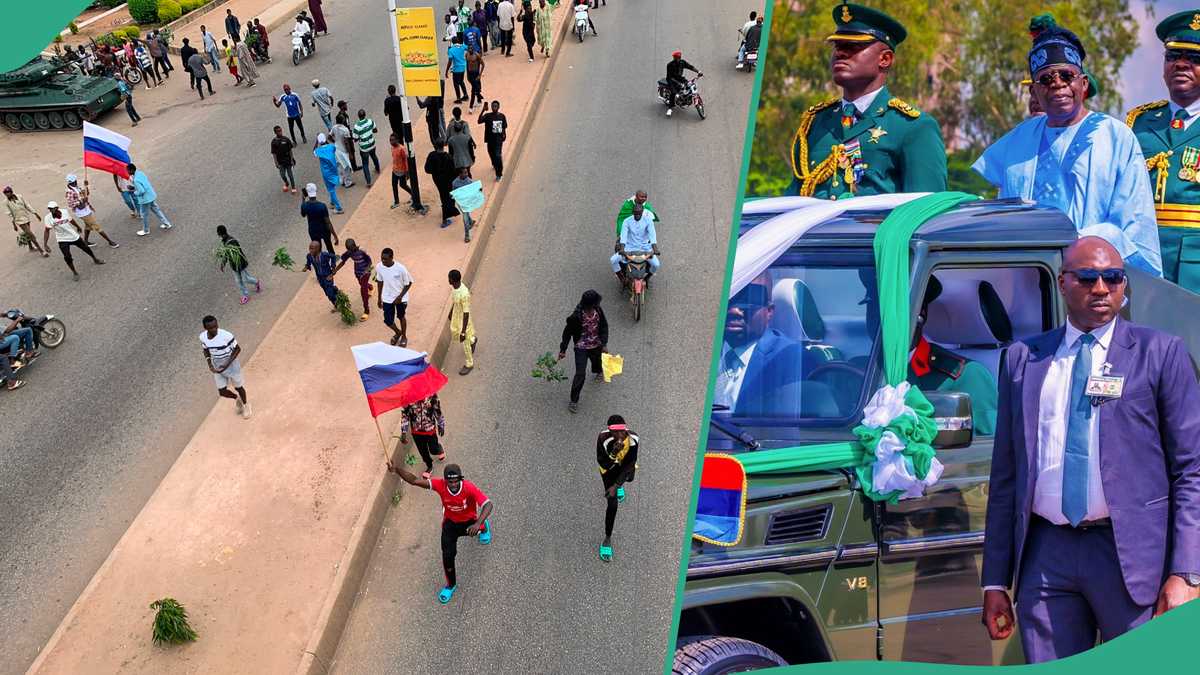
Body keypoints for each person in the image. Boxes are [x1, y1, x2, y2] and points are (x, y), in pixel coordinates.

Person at [981, 236, 1200, 662]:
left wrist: (1186, 573)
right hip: (1046, 556)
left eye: (1113, 278)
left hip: (1132, 556)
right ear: (1063, 283)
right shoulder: (1024, 360)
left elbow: (1192, 470)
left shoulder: (1160, 353)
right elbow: (1006, 475)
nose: (1101, 288)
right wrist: (994, 581)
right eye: (1087, 278)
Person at [973, 21, 1161, 276]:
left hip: (1095, 280)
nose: (1057, 84)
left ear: (1083, 84)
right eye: (1046, 78)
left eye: (1066, 76)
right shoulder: (1017, 140)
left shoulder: (1116, 136)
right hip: (1028, 277)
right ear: (1034, 90)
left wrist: (1076, 242)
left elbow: (1135, 229)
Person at [788, 5, 947, 197]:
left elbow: (924, 211)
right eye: (838, 46)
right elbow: (794, 197)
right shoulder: (815, 123)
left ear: (885, 59)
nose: (840, 53)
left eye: (853, 47)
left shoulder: (913, 127)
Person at [1127, 10, 1200, 293]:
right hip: (1144, 255)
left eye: (1194, 59)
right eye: (1173, 57)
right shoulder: (1139, 122)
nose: (1181, 65)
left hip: (1194, 261)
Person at [385, 461, 492, 604]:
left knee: (478, 527)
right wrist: (396, 469)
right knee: (447, 556)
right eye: (449, 482)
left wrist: (478, 523)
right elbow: (415, 481)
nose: (453, 484)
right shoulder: (440, 485)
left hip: (469, 523)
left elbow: (488, 504)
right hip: (450, 526)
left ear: (461, 479)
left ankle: (484, 526)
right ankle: (451, 585)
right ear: (445, 480)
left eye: (456, 481)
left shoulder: (469, 487)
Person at [907, 275, 998, 436]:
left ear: (920, 313)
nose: (876, 315)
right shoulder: (861, 371)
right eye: (872, 306)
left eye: (887, 307)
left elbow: (988, 451)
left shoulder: (968, 376)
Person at [712, 273, 808, 417]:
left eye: (749, 299)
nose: (734, 311)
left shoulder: (792, 359)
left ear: (769, 311)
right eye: (729, 300)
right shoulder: (697, 353)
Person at [557, 289, 608, 413]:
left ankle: (599, 371)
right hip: (581, 347)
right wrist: (563, 349)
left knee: (597, 362)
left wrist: (604, 343)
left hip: (596, 345)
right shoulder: (575, 317)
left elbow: (604, 326)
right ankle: (574, 400)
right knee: (580, 374)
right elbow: (567, 333)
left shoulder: (598, 311)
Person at [595, 415, 638, 562]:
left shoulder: (633, 439)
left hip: (623, 469)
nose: (619, 435)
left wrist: (617, 485)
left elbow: (631, 462)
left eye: (622, 431)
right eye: (615, 432)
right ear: (610, 431)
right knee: (612, 505)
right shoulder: (603, 439)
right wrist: (613, 453)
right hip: (608, 471)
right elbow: (604, 463)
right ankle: (607, 538)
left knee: (630, 477)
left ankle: (618, 486)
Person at [200, 315, 250, 419]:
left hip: (231, 364)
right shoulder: (203, 337)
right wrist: (210, 364)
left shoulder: (226, 336)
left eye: (215, 326)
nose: (214, 329)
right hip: (217, 365)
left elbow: (237, 349)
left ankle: (246, 405)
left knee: (239, 387)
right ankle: (237, 399)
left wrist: (226, 364)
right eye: (211, 328)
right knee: (222, 391)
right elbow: (206, 350)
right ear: (205, 328)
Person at [42, 201, 105, 280]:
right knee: (67, 257)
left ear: (57, 208)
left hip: (73, 236)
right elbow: (47, 230)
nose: (51, 211)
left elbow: (71, 220)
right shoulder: (48, 218)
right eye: (50, 209)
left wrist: (78, 227)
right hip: (62, 239)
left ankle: (95, 259)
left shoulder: (64, 212)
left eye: (53, 209)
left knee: (86, 248)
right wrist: (45, 244)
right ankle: (74, 272)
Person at [611, 203, 660, 284]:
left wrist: (655, 249)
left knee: (656, 264)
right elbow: (623, 235)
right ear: (632, 212)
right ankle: (621, 278)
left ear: (642, 212)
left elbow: (652, 236)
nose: (637, 215)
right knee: (613, 260)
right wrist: (622, 249)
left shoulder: (648, 221)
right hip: (629, 248)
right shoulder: (627, 221)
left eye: (639, 213)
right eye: (635, 213)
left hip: (644, 248)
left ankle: (647, 278)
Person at [400, 395, 447, 478]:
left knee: (433, 449)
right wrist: (404, 431)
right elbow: (405, 415)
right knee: (423, 452)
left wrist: (441, 425)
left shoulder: (432, 396)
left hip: (430, 430)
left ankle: (438, 448)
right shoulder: (407, 398)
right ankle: (429, 466)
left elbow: (438, 411)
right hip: (416, 432)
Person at [65, 175, 118, 249]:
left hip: (86, 209)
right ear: (70, 183)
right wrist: (81, 201)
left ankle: (85, 242)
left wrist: (86, 186)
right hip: (81, 212)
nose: (75, 182)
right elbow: (71, 204)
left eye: (75, 181)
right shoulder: (69, 192)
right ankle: (110, 241)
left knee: (88, 226)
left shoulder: (77, 188)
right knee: (96, 226)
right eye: (74, 182)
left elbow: (87, 194)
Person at [374, 247, 414, 346]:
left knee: (401, 317)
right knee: (388, 320)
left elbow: (408, 283)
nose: (383, 261)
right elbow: (380, 281)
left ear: (392, 258)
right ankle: (397, 332)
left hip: (400, 298)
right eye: (382, 258)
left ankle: (404, 336)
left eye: (385, 259)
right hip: (387, 298)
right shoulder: (379, 267)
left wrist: (400, 297)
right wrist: (379, 298)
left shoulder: (400, 269)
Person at [217, 225, 261, 304]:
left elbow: (236, 254)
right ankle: (245, 295)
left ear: (220, 233)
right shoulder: (224, 241)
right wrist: (223, 263)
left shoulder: (232, 241)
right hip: (234, 266)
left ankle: (256, 282)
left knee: (245, 279)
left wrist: (238, 266)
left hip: (240, 265)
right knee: (238, 281)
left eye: (218, 233)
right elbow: (227, 254)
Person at [333, 238, 373, 321]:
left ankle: (366, 310)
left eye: (351, 248)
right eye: (348, 249)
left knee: (363, 292)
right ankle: (370, 287)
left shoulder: (362, 252)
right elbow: (343, 261)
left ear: (354, 245)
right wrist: (335, 270)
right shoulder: (349, 253)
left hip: (365, 273)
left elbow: (369, 262)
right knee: (362, 285)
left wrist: (366, 270)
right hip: (357, 273)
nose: (350, 250)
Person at [127, 163, 173, 235]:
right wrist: (135, 187)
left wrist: (134, 192)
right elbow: (143, 184)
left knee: (144, 215)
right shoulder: (140, 173)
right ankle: (167, 223)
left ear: (132, 170)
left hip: (145, 199)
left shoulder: (135, 180)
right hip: (151, 195)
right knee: (157, 210)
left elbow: (141, 191)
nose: (127, 172)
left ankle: (146, 230)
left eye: (128, 170)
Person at [447, 269, 477, 375]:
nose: (448, 280)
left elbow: (466, 313)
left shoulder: (464, 294)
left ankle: (469, 364)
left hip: (464, 322)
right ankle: (473, 340)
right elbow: (455, 302)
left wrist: (463, 331)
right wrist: (451, 313)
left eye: (449, 278)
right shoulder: (455, 288)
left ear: (453, 280)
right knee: (458, 334)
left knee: (465, 342)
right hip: (457, 317)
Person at [3, 187, 48, 257]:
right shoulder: (6, 203)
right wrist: (14, 224)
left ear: (11, 192)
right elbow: (9, 214)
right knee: (31, 234)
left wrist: (35, 213)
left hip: (26, 217)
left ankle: (30, 247)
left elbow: (27, 205)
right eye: (6, 194)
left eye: (8, 193)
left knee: (27, 233)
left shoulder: (19, 197)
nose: (7, 195)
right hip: (19, 221)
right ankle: (41, 250)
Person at [425, 141, 460, 227]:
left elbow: (427, 169)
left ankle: (446, 210)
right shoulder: (448, 157)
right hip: (448, 181)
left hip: (437, 180)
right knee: (448, 197)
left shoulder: (431, 155)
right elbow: (454, 172)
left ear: (435, 146)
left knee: (443, 195)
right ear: (444, 146)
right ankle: (445, 219)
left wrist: (435, 171)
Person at [304, 240, 341, 311]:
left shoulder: (324, 255)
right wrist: (306, 267)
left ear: (318, 249)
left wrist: (333, 267)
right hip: (320, 278)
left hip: (328, 276)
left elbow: (333, 257)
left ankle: (337, 304)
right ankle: (335, 291)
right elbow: (308, 263)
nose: (310, 250)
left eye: (312, 248)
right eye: (310, 248)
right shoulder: (309, 256)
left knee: (330, 294)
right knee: (327, 293)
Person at [301, 183, 339, 252]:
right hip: (324, 230)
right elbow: (328, 222)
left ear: (307, 192)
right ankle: (333, 259)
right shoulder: (322, 206)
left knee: (318, 249)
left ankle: (320, 261)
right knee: (329, 245)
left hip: (313, 230)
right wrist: (335, 236)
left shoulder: (305, 205)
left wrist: (303, 199)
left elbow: (303, 214)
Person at [313, 135, 345, 213]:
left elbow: (314, 151)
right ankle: (332, 202)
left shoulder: (318, 151)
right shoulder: (331, 147)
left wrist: (316, 141)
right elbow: (333, 145)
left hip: (326, 173)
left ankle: (338, 208)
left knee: (331, 190)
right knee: (332, 187)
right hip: (334, 170)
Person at [477, 100, 508, 180]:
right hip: (490, 140)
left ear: (498, 107)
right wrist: (483, 110)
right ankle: (494, 164)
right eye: (493, 106)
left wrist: (504, 134)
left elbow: (504, 127)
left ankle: (499, 174)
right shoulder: (487, 116)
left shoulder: (502, 116)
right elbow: (479, 121)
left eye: (496, 106)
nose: (494, 107)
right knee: (491, 153)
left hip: (498, 140)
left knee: (498, 155)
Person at [664, 50, 700, 116]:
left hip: (680, 78)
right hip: (671, 80)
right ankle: (670, 108)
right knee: (674, 93)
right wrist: (678, 83)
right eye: (676, 57)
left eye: (679, 57)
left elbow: (690, 67)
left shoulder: (682, 62)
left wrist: (698, 71)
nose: (678, 59)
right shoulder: (670, 65)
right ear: (674, 58)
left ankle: (686, 99)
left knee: (689, 85)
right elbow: (669, 77)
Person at [353, 109, 381, 186]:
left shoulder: (357, 126)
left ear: (358, 117)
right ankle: (378, 169)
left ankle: (368, 182)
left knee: (365, 164)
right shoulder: (370, 121)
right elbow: (375, 130)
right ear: (365, 115)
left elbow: (355, 139)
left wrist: (361, 136)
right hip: (372, 144)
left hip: (364, 148)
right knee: (374, 156)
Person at [447, 108, 476, 179]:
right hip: (466, 157)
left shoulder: (450, 125)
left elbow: (449, 147)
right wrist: (472, 157)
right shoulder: (465, 124)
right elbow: (469, 137)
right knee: (468, 173)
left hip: (456, 159)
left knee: (458, 175)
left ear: (453, 114)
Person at [450, 166, 477, 242]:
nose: (467, 174)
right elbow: (454, 192)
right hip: (460, 202)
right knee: (465, 216)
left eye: (467, 172)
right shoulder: (455, 183)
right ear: (460, 174)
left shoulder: (470, 181)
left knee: (465, 216)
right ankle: (469, 228)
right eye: (464, 172)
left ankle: (468, 229)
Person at [330, 116, 357, 188]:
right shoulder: (345, 130)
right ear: (342, 120)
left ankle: (341, 180)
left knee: (339, 166)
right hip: (343, 151)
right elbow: (347, 142)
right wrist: (350, 153)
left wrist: (335, 142)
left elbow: (329, 136)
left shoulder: (334, 127)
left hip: (336, 150)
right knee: (347, 166)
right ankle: (348, 182)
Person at [417, 80, 447, 145]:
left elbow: (421, 105)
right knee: (442, 122)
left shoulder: (430, 98)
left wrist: (417, 97)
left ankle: (444, 140)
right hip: (440, 106)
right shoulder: (442, 82)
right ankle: (445, 138)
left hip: (432, 118)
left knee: (433, 136)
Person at [389, 134, 414, 208]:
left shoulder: (402, 149)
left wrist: (407, 172)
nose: (391, 141)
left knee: (402, 185)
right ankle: (396, 202)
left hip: (402, 171)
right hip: (395, 170)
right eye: (390, 140)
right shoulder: (392, 148)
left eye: (393, 140)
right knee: (394, 185)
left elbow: (406, 161)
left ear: (397, 140)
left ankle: (413, 195)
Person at [271, 126, 298, 193]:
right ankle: (286, 183)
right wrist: (276, 163)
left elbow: (290, 150)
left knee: (290, 175)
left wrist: (291, 159)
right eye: (278, 131)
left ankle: (293, 187)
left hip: (288, 160)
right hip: (280, 162)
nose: (280, 132)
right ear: (275, 132)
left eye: (280, 130)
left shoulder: (286, 139)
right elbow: (274, 153)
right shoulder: (274, 142)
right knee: (282, 175)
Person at [445, 36, 469, 104]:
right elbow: (469, 48)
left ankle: (458, 98)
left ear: (452, 42)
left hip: (456, 69)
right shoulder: (462, 46)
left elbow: (450, 61)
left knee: (456, 84)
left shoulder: (451, 50)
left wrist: (446, 71)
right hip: (463, 67)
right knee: (461, 82)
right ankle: (465, 95)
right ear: (458, 41)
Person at [465, 47, 485, 111]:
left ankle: (471, 107)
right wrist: (467, 75)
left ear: (473, 49)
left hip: (476, 74)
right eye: (469, 49)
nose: (470, 50)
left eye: (471, 49)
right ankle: (479, 97)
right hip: (470, 74)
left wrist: (480, 75)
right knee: (476, 88)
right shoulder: (466, 55)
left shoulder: (476, 55)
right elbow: (467, 65)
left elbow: (483, 64)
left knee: (473, 90)